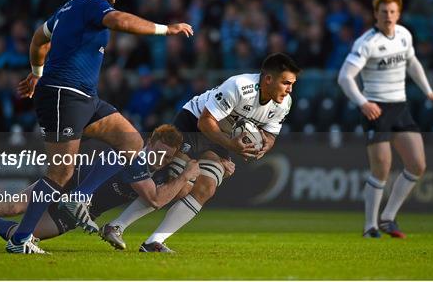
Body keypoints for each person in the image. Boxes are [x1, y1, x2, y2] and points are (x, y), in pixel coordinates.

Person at [0, 0, 193, 254]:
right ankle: (16, 239)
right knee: (59, 174)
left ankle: (77, 197)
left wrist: (36, 72)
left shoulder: (65, 11)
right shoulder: (92, 5)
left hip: (84, 98)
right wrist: (167, 29)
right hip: (63, 96)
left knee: (130, 140)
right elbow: (120, 21)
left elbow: (39, 39)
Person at [100, 53, 300, 252]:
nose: (289, 89)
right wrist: (231, 147)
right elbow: (205, 122)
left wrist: (265, 146)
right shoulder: (240, 86)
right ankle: (116, 225)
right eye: (286, 83)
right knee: (177, 179)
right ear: (268, 79)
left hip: (222, 135)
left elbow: (270, 134)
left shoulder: (284, 103)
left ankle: (154, 242)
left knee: (207, 187)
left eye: (292, 84)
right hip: (194, 122)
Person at [0, 125, 204, 251]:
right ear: (148, 143)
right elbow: (155, 200)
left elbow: (168, 194)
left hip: (82, 213)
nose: (160, 161)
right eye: (158, 153)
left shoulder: (156, 168)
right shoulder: (137, 159)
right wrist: (187, 175)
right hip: (67, 184)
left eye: (167, 157)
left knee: (27, 236)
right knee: (14, 206)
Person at [337, 0, 433, 238]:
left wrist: (429, 92)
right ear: (376, 14)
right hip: (376, 108)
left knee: (417, 165)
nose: (388, 16)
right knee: (382, 168)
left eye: (393, 12)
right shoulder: (367, 42)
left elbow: (413, 63)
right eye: (384, 11)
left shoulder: (404, 35)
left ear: (399, 13)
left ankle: (388, 218)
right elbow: (344, 77)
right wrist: (363, 103)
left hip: (400, 107)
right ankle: (369, 227)